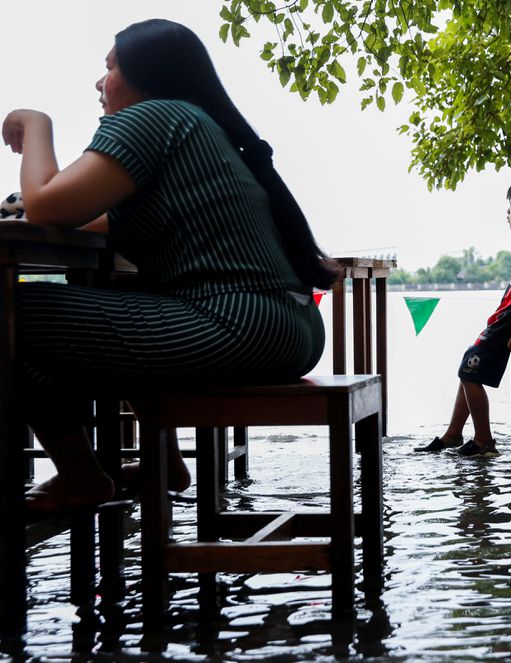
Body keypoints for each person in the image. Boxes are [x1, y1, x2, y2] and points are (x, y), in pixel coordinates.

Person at [2, 19, 334, 514]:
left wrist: (35, 124)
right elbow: (85, 218)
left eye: (110, 67)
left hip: (240, 326)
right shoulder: (199, 126)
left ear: (146, 74)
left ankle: (80, 476)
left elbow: (49, 206)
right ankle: (165, 460)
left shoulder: (155, 116)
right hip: (288, 326)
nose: (100, 83)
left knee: (9, 313)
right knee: (116, 300)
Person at [415, 175, 511, 458]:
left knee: (468, 368)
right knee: (469, 368)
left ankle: (483, 440)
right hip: (505, 322)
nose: (507, 210)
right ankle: (453, 434)